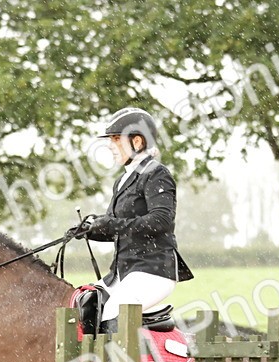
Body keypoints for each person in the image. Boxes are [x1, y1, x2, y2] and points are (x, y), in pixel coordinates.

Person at [67, 107, 193, 334]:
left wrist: (110, 224)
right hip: (122, 272)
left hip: (153, 271)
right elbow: (115, 228)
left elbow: (161, 220)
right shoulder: (122, 181)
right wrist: (89, 230)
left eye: (116, 139)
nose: (109, 145)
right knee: (86, 305)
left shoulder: (157, 174)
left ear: (137, 141)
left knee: (114, 311)